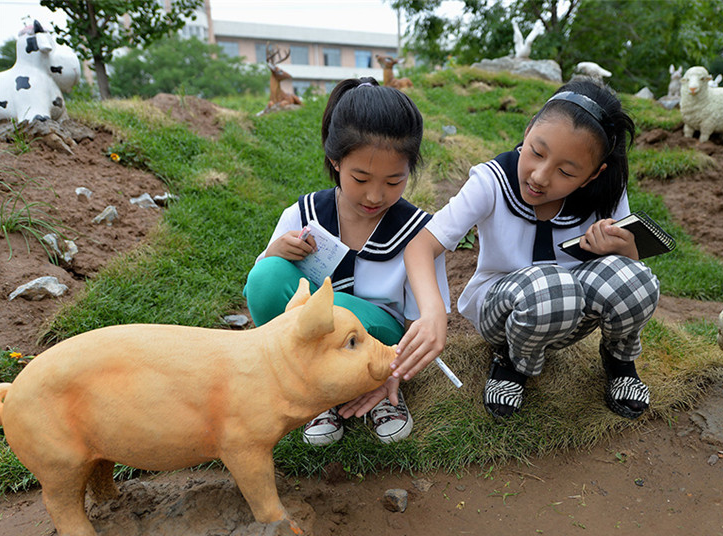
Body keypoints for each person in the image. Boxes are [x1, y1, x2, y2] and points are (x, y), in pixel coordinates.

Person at [389, 79, 660, 421]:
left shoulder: (607, 192)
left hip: (569, 313)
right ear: (529, 129)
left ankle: (619, 359)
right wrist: (432, 313)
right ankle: (510, 362)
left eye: (566, 171)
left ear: (593, 174)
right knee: (552, 286)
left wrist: (625, 249)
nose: (541, 176)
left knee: (636, 280)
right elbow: (421, 245)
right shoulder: (491, 181)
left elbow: (628, 276)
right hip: (504, 312)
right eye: (536, 151)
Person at [244, 77, 450, 445]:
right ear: (334, 160)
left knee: (331, 307)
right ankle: (314, 387)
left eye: (393, 181)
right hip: (313, 333)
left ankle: (380, 390)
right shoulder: (305, 214)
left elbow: (420, 321)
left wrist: (395, 370)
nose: (375, 194)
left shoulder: (418, 232)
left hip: (381, 340)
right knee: (267, 276)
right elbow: (261, 285)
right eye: (361, 177)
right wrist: (276, 252)